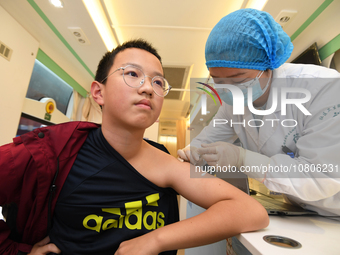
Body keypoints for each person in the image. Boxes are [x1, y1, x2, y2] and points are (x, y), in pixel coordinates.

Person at [0, 39, 269, 255]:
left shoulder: (165, 164)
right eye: (132, 74)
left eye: (158, 82)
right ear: (98, 93)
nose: (148, 89)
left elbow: (251, 211)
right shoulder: (52, 151)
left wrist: (155, 240)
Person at [178, 8, 340, 217]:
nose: (229, 90)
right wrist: (190, 153)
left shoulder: (324, 88)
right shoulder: (232, 105)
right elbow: (205, 143)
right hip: (300, 209)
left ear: (267, 66)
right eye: (218, 81)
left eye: (238, 79)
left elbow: (321, 177)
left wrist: (242, 159)